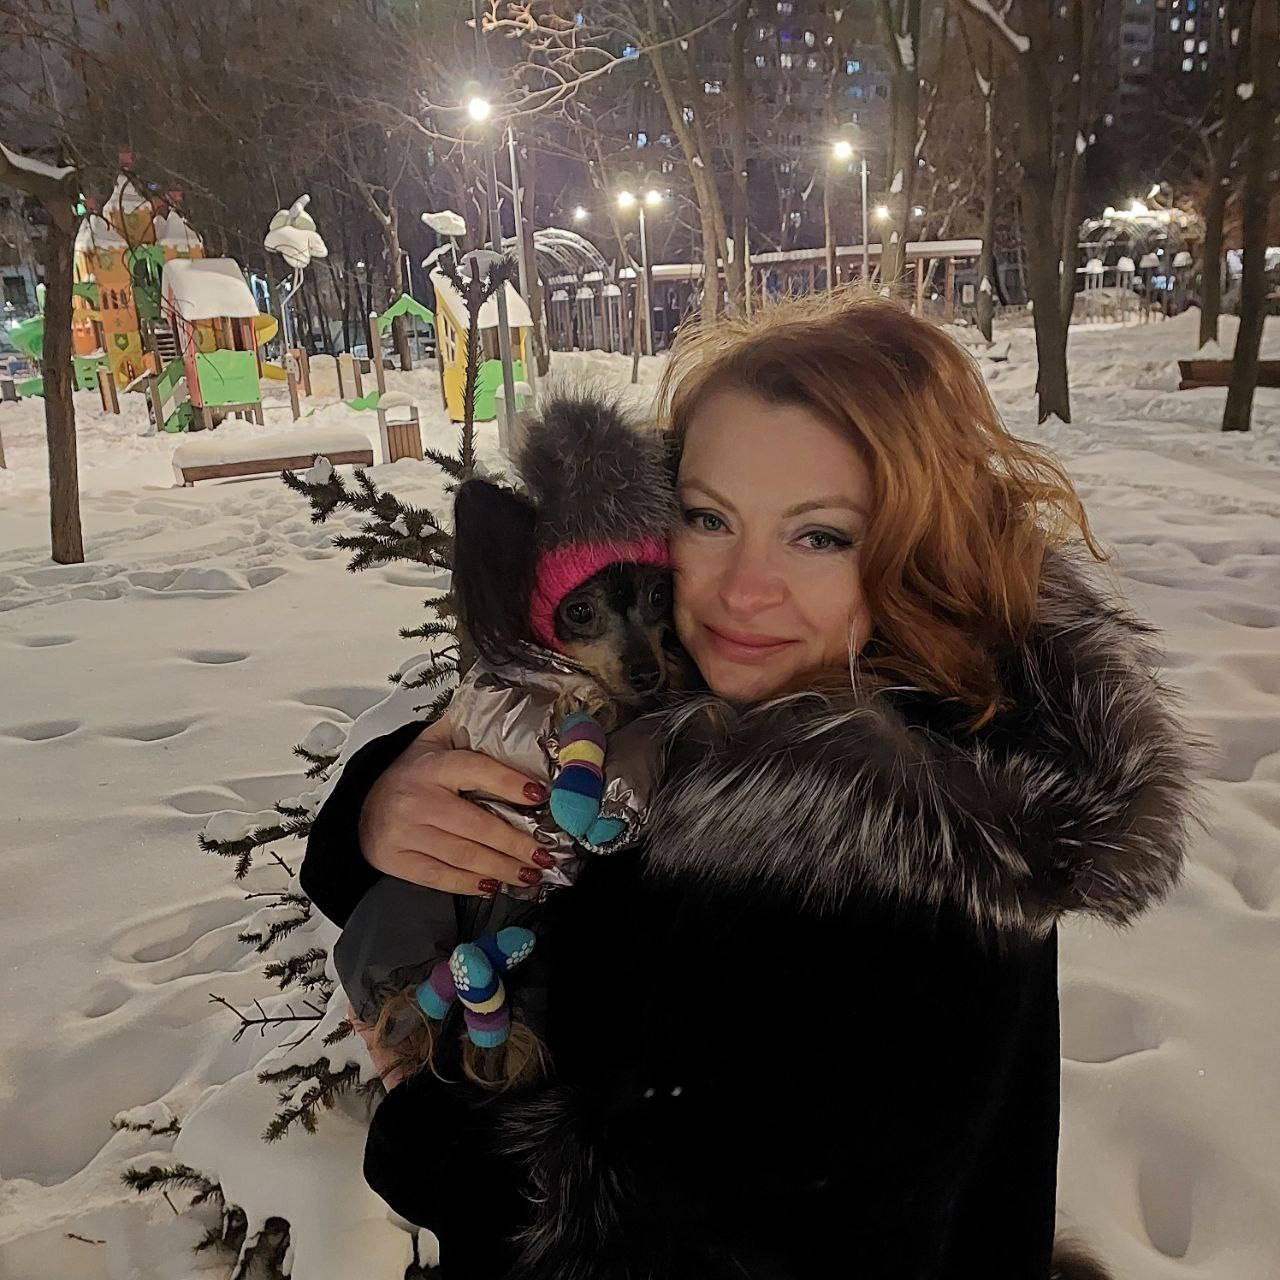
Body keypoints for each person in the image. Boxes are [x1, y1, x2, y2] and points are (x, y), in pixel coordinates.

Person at [301, 291, 1198, 1280]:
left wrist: (419, 1127)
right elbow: (385, 857)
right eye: (707, 518)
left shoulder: (903, 867)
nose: (741, 589)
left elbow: (662, 1243)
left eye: (820, 535)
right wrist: (381, 806)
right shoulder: (709, 693)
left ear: (915, 545)